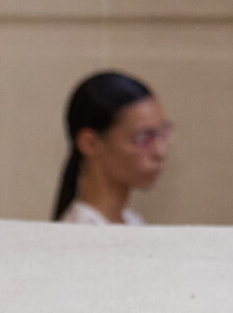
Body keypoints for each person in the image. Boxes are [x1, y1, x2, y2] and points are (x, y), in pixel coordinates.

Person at [51, 72, 172, 226]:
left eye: (162, 134)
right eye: (144, 138)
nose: (160, 152)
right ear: (90, 144)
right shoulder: (81, 232)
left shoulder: (132, 221)